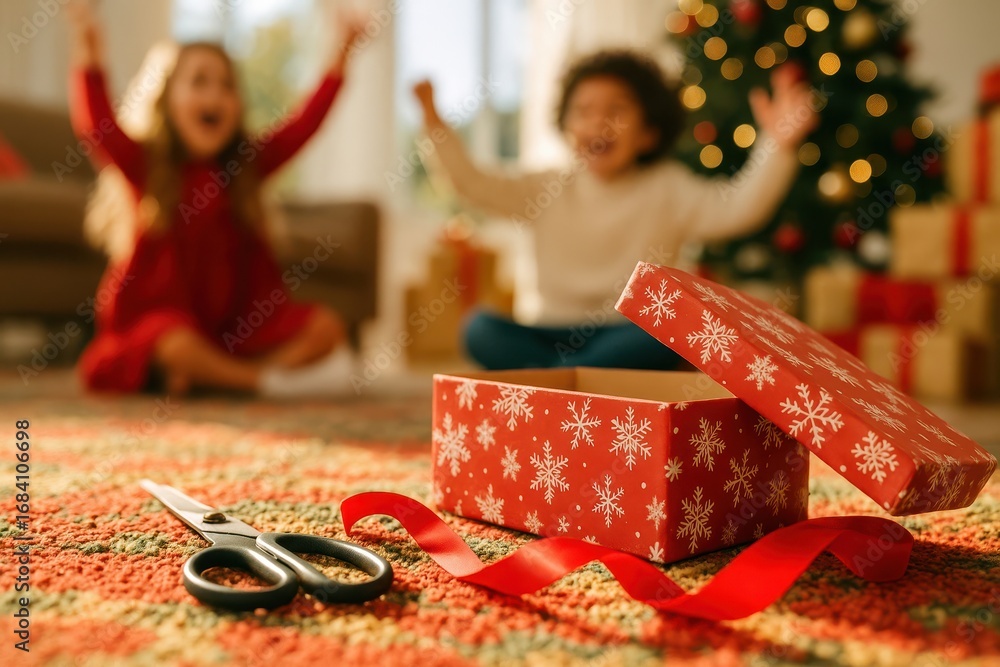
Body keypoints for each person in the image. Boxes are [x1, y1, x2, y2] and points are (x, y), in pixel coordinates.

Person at [413, 50, 818, 370]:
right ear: (566, 126)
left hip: (628, 334)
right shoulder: (545, 186)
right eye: (584, 111)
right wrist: (433, 121)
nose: (599, 123)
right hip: (547, 332)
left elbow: (739, 208)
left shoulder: (668, 187)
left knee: (669, 332)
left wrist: (777, 146)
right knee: (479, 330)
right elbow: (472, 184)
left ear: (648, 133)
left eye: (617, 111)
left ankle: (554, 382)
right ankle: (575, 379)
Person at [66, 0, 363, 396]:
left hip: (237, 326)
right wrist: (89, 49)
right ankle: (253, 381)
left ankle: (213, 376)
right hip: (165, 321)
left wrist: (341, 53)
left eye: (226, 85)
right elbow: (97, 126)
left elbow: (303, 126)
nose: (215, 94)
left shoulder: (245, 165)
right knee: (174, 344)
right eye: (199, 81)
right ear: (167, 99)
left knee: (327, 327)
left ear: (237, 106)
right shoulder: (148, 163)